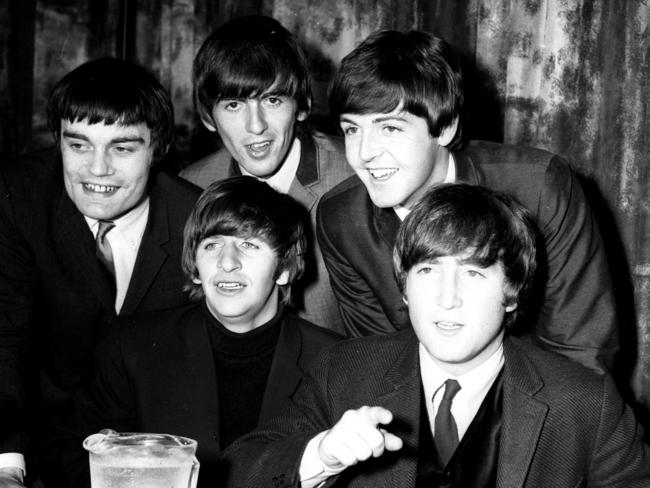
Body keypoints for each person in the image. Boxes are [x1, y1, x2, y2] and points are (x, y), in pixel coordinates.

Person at [222, 183, 650, 488]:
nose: (447, 298)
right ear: (404, 287)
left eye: (473, 272)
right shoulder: (345, 370)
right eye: (427, 271)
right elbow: (238, 471)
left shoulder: (586, 404)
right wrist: (321, 455)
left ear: (512, 291)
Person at [316, 30, 618, 374]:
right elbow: (381, 365)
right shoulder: (340, 218)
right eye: (352, 129)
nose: (364, 153)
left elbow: (581, 353)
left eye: (390, 128)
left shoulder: (539, 187)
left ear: (444, 127)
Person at [40, 176, 343, 488]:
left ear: (285, 268)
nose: (227, 262)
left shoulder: (335, 362)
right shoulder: (132, 346)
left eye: (248, 244)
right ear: (196, 265)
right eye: (212, 245)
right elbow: (69, 454)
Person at [0, 58, 201, 487]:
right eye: (79, 145)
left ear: (157, 148)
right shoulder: (18, 197)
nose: (96, 169)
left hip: (158, 455)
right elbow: (5, 337)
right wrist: (7, 467)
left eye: (122, 148)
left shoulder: (196, 217)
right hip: (37, 446)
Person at [180, 15, 354, 333]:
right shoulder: (189, 189)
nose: (256, 126)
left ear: (301, 105)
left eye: (272, 100)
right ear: (208, 116)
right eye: (234, 105)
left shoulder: (356, 175)